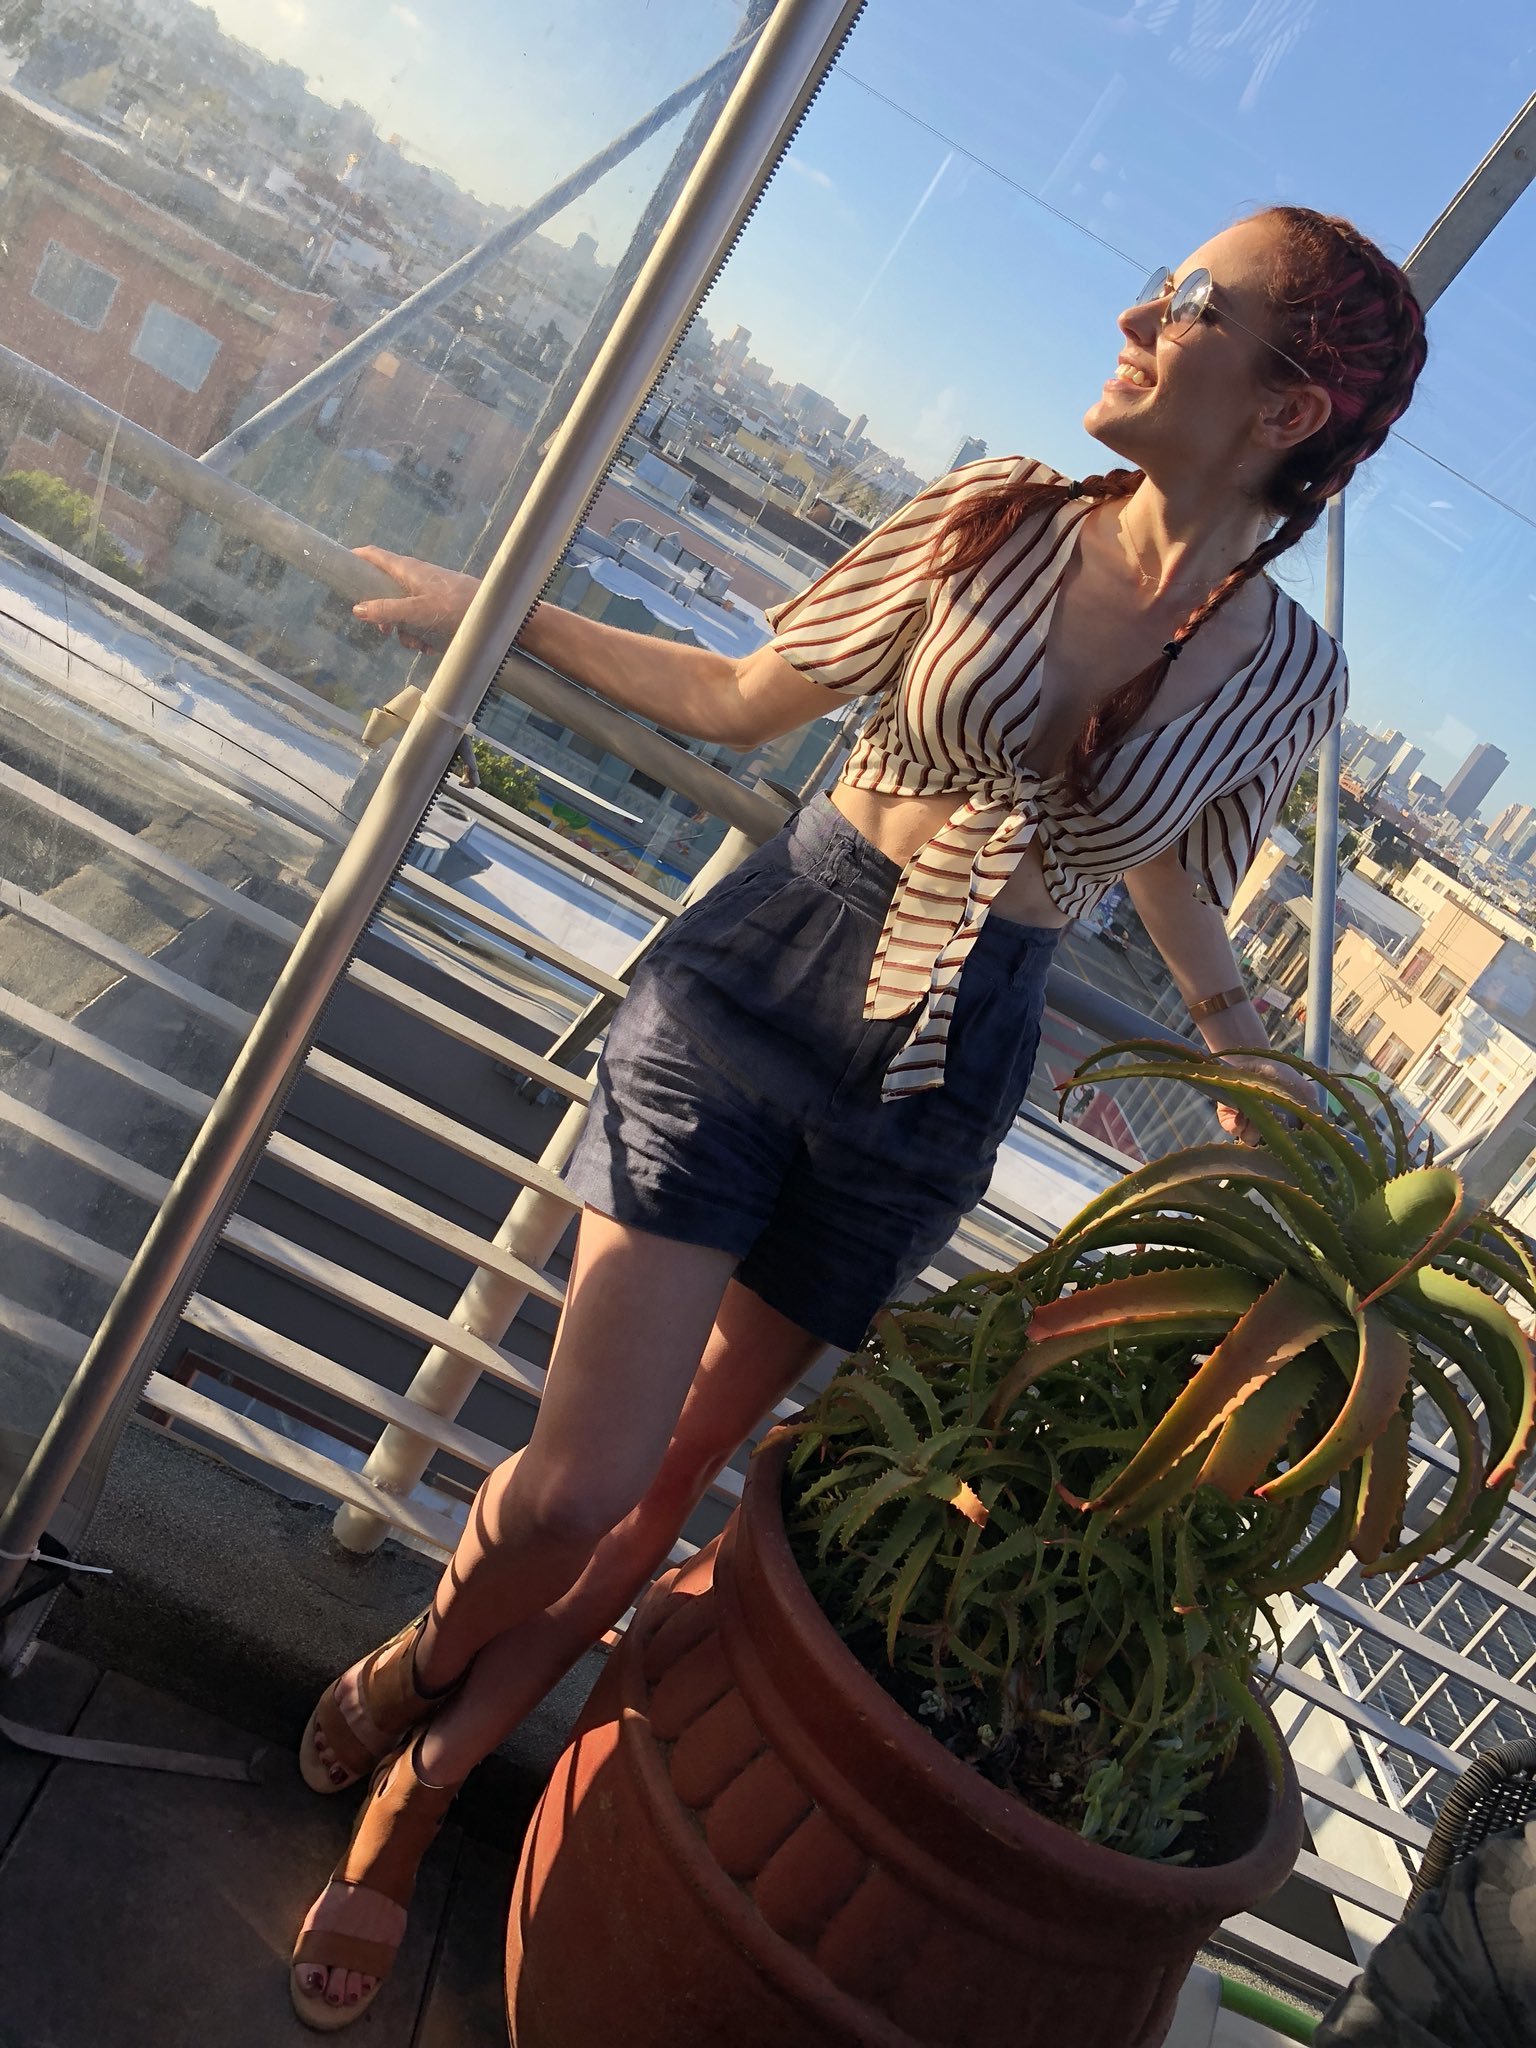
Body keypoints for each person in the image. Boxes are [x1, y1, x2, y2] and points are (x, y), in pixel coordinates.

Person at [289, 204, 1427, 2025]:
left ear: (1288, 410)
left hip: (951, 1064)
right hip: (764, 977)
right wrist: (494, 617)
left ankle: (414, 1803)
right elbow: (746, 699)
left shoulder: (1294, 677)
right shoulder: (988, 516)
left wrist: (1242, 1065)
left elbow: (1171, 875)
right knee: (577, 1483)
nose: (1135, 311)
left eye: (1189, 302)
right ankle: (427, 1652)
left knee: (671, 1488)